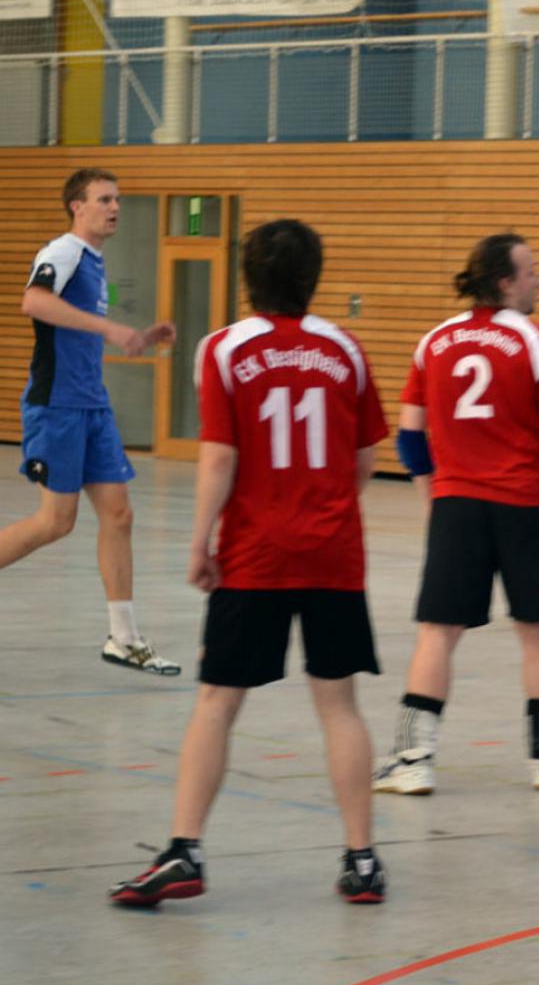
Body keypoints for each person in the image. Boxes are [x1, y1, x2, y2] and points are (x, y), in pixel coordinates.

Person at [109, 219, 390, 906]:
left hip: (254, 555)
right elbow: (364, 462)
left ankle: (184, 851)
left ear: (247, 277)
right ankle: (361, 859)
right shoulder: (346, 349)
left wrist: (199, 541)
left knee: (217, 702)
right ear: (313, 277)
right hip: (333, 555)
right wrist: (322, 509)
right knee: (340, 704)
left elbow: (219, 456)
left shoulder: (224, 349)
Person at [374, 234, 539, 795]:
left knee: (438, 633)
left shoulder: (434, 341)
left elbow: (410, 437)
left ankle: (413, 760)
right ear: (505, 282)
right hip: (525, 503)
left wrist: (433, 495)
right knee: (537, 633)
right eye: (532, 271)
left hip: (457, 504)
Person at [1, 168, 181, 676]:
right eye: (104, 199)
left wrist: (136, 337)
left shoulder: (96, 263)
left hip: (92, 404)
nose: (115, 207)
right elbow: (33, 301)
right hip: (57, 404)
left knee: (119, 515)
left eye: (117, 199)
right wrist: (109, 328)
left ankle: (124, 638)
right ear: (77, 207)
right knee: (55, 522)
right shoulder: (64, 251)